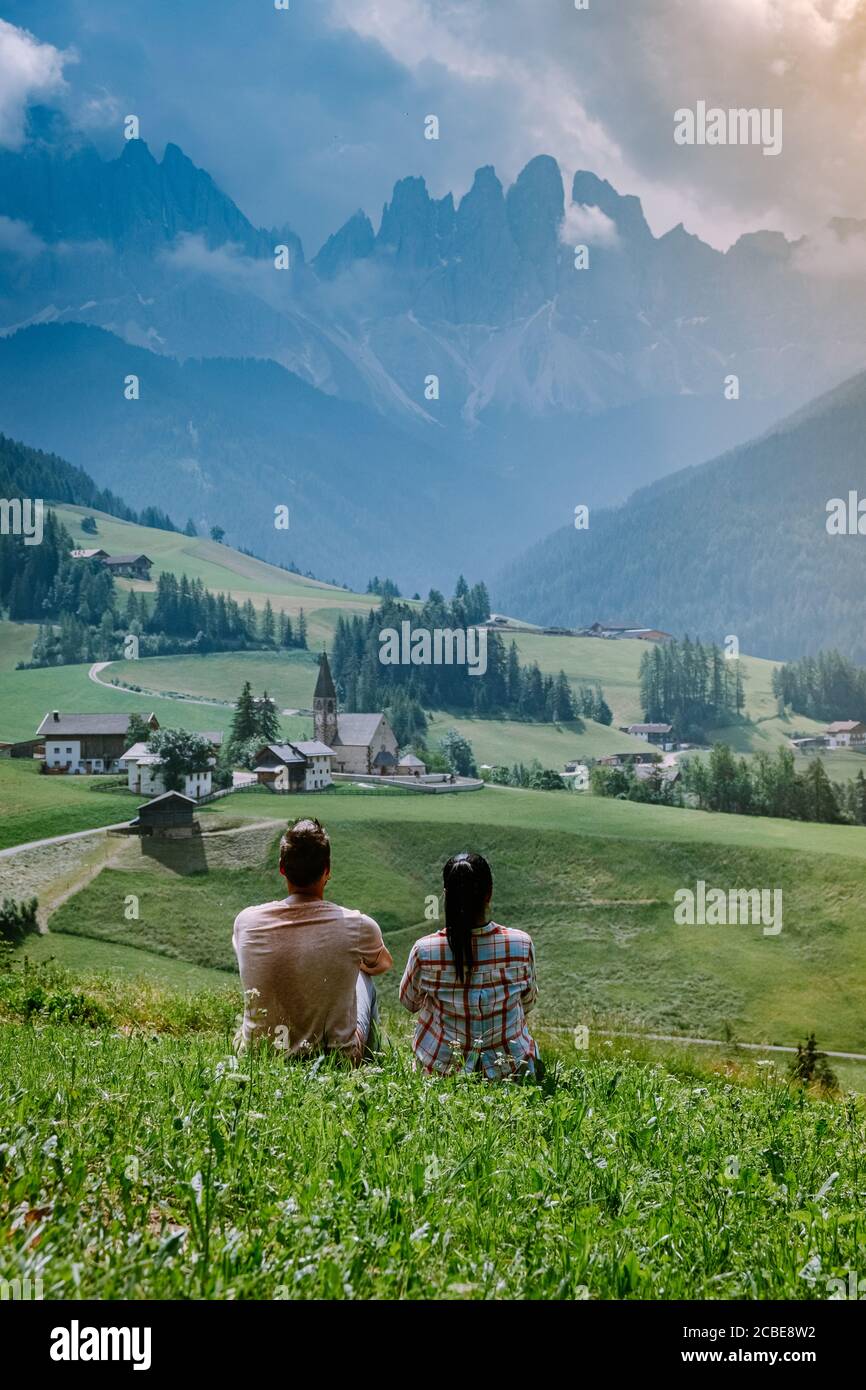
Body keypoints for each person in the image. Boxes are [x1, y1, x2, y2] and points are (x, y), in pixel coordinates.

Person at [233, 817, 392, 1061]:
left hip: (259, 1055)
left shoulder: (246, 921)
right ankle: (371, 1063)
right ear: (327, 870)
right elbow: (382, 965)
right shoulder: (358, 925)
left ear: (282, 868)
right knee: (364, 976)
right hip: (334, 1059)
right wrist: (342, 959)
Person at [399, 851, 539, 1080]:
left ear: (446, 896)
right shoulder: (521, 945)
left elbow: (409, 1002)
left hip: (441, 1071)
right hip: (511, 1071)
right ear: (489, 893)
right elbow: (528, 1002)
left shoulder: (425, 950)